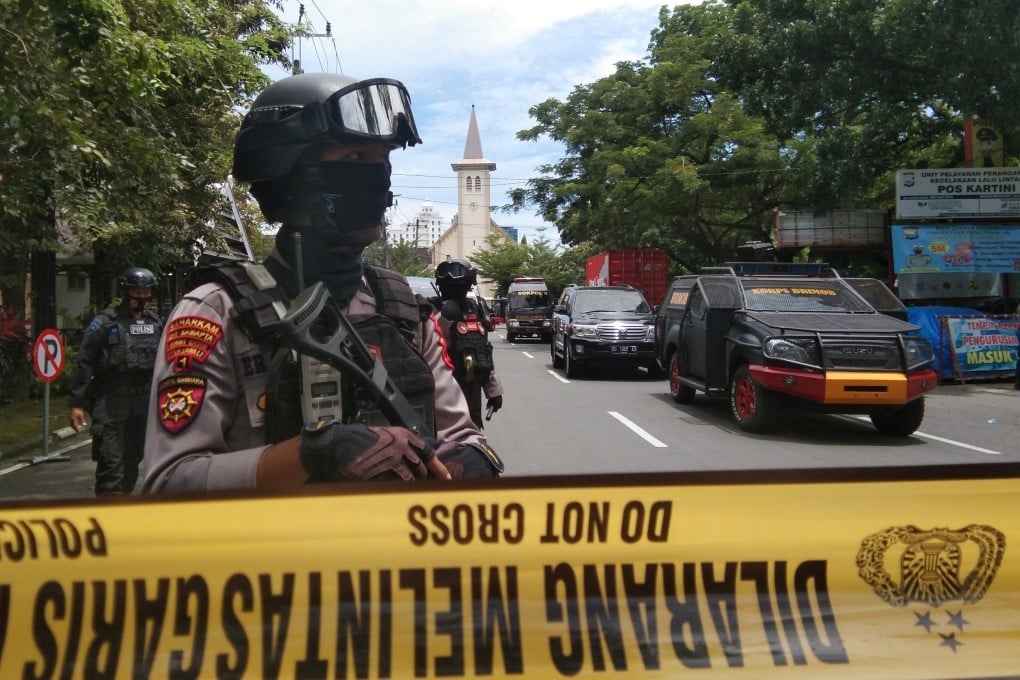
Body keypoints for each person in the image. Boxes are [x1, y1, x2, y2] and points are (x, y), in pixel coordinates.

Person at [142, 72, 502, 493]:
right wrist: (310, 455)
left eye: (381, 161)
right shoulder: (218, 313)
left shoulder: (401, 307)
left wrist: (469, 462)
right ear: (290, 174)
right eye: (354, 160)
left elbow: (464, 437)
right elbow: (168, 483)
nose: (377, 178)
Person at [69, 267, 163, 495]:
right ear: (125, 291)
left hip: (143, 401)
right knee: (111, 465)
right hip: (110, 401)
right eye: (136, 291)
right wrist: (76, 403)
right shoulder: (105, 323)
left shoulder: (155, 323)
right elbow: (85, 361)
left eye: (145, 291)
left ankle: (121, 509)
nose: (141, 296)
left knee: (132, 462)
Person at [429, 258, 504, 428]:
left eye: (460, 284)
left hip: (471, 389)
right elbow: (430, 344)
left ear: (469, 284)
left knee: (472, 435)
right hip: (441, 390)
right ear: (440, 286)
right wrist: (445, 318)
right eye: (447, 284)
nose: (454, 289)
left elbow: (484, 351)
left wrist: (494, 391)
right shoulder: (431, 310)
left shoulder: (476, 309)